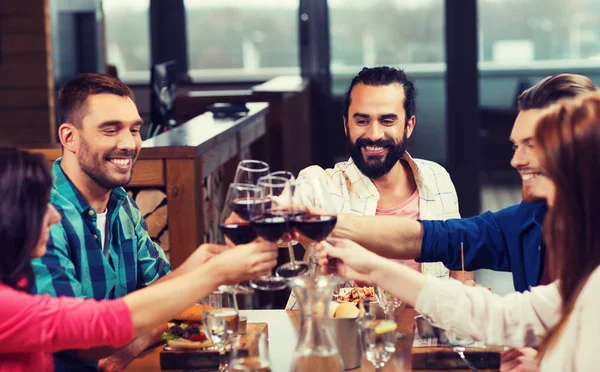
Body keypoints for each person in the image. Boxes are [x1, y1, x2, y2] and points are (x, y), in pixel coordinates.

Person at [318, 91, 600, 371]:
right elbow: (502, 314)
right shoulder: (536, 225)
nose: (516, 161)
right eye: (517, 146)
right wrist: (370, 266)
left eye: (536, 147)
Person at [0, 147, 278, 372]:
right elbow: (98, 329)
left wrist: (200, 264)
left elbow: (155, 306)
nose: (54, 215)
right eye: (39, 205)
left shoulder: (17, 281)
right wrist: (214, 274)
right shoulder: (6, 306)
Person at [30, 73, 212, 370]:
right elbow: (76, 341)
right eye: (110, 130)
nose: (129, 143)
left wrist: (135, 343)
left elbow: (170, 301)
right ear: (69, 137)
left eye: (135, 129)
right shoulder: (41, 215)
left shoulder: (121, 202)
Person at [286, 67, 469, 309]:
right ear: (346, 125)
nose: (374, 134)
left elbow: (460, 267)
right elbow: (278, 224)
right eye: (362, 121)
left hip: (426, 338)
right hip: (341, 339)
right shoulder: (320, 186)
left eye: (387, 120)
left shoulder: (437, 178)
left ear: (409, 126)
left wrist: (462, 295)